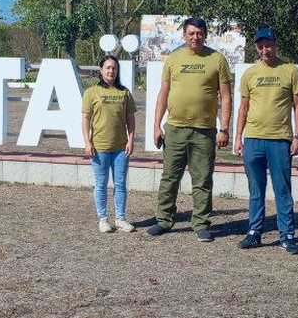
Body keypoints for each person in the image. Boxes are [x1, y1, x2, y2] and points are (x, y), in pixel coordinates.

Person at [146, 17, 233, 242]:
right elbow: (163, 94)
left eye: (199, 33)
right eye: (191, 33)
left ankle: (201, 223)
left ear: (206, 34)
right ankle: (164, 220)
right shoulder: (174, 59)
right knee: (169, 178)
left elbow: (225, 96)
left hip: (204, 131)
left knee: (202, 179)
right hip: (174, 128)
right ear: (184, 35)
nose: (196, 37)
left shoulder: (217, 60)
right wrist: (156, 125)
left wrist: (224, 128)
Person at [233, 27, 298, 254]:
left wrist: (297, 136)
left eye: (269, 45)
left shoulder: (290, 71)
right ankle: (254, 233)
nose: (265, 50)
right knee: (256, 190)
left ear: (276, 45)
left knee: (282, 190)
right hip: (253, 139)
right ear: (257, 47)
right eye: (261, 46)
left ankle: (287, 236)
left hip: (279, 140)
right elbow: (243, 108)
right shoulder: (250, 74)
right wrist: (238, 137)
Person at [81, 55, 137, 233]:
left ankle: (120, 218)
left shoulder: (124, 93)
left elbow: (130, 119)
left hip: (121, 148)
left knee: (120, 184)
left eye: (114, 68)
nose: (111, 71)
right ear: (101, 70)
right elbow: (86, 119)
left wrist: (131, 139)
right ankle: (103, 219)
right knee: (101, 184)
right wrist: (87, 142)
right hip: (99, 148)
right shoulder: (91, 92)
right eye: (107, 67)